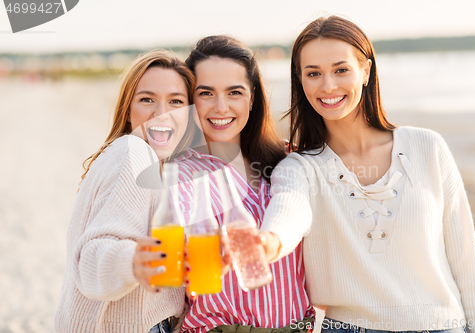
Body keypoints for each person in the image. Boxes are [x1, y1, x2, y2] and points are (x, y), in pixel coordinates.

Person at [259, 16, 475, 333]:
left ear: (366, 70)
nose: (327, 85)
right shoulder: (299, 168)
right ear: (300, 80)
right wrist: (268, 241)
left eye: (341, 70)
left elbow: (465, 263)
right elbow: (289, 209)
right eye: (313, 73)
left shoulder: (426, 147)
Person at [171, 35, 315, 333]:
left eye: (234, 92)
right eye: (206, 93)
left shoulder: (288, 160)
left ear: (252, 98)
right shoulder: (178, 174)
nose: (221, 107)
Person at [55, 50, 198, 333]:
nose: (162, 114)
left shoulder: (160, 169)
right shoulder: (134, 152)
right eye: (147, 100)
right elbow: (93, 256)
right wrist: (132, 261)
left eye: (176, 102)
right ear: (127, 109)